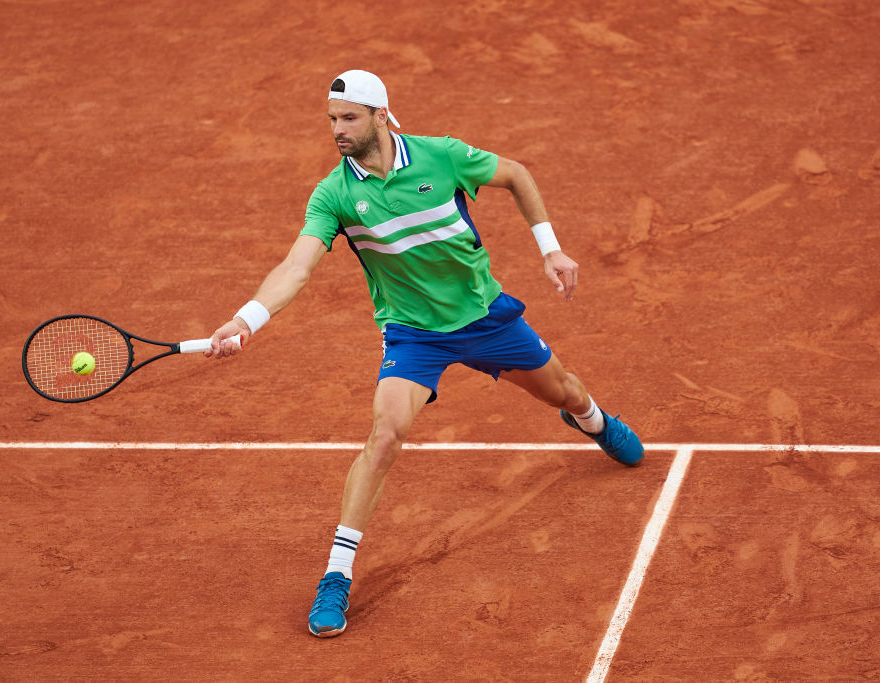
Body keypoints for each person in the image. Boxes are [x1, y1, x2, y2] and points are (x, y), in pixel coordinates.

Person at [206, 69, 644, 638]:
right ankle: (336, 576)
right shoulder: (334, 194)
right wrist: (246, 319)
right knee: (385, 434)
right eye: (332, 120)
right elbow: (296, 267)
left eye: (348, 118)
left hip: (486, 317)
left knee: (567, 391)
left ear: (381, 116)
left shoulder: (443, 157)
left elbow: (515, 174)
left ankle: (593, 421)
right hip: (413, 334)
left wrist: (551, 250)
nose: (337, 130)